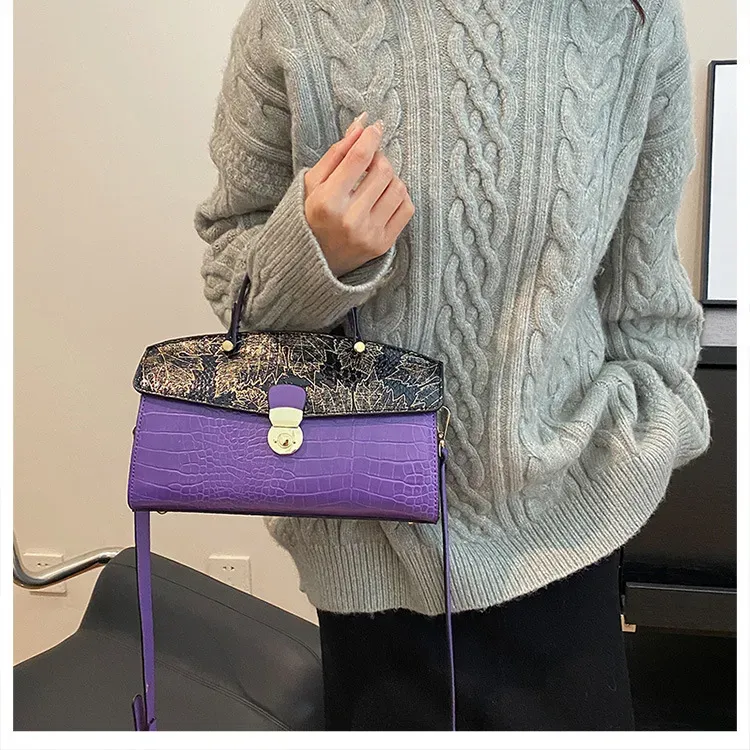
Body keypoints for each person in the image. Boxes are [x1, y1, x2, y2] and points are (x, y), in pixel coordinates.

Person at [194, 0, 710, 731]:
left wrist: (639, 449)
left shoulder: (632, 19)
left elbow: (647, 297)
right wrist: (312, 256)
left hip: (570, 541)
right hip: (370, 551)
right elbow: (232, 278)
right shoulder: (293, 17)